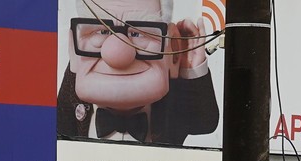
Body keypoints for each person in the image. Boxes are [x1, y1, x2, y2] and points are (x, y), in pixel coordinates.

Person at [57, 0, 218, 146]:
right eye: (102, 32)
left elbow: (204, 123)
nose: (117, 54)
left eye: (137, 33)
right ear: (74, 46)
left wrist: (192, 68)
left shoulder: (172, 102)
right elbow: (57, 124)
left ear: (173, 47)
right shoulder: (73, 95)